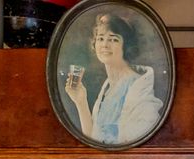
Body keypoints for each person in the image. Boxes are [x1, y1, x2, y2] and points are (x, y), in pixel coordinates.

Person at [65, 13, 164, 145]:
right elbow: (93, 141)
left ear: (126, 45)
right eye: (100, 38)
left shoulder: (138, 87)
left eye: (113, 39)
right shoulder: (108, 87)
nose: (105, 45)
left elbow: (141, 143)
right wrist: (80, 101)